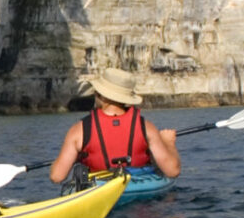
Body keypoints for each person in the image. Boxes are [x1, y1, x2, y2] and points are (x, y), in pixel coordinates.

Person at [48, 67, 180, 187]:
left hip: (99, 191)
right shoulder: (147, 127)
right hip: (138, 192)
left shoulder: (78, 130)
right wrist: (169, 143)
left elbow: (57, 176)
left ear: (101, 95)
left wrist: (68, 157)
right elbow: (173, 171)